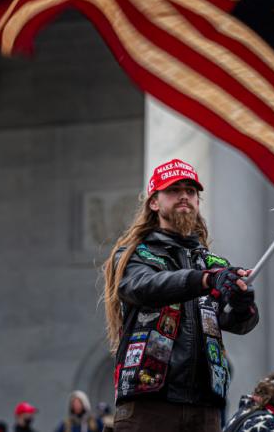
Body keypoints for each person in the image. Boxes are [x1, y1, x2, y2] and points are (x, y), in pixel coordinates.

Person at [102, 158, 259, 432]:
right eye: (174, 190)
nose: (184, 196)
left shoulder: (213, 263)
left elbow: (237, 323)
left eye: (191, 191)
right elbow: (144, 287)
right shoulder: (133, 255)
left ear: (198, 202)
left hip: (205, 407)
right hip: (149, 403)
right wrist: (205, 280)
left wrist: (242, 303)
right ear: (154, 202)